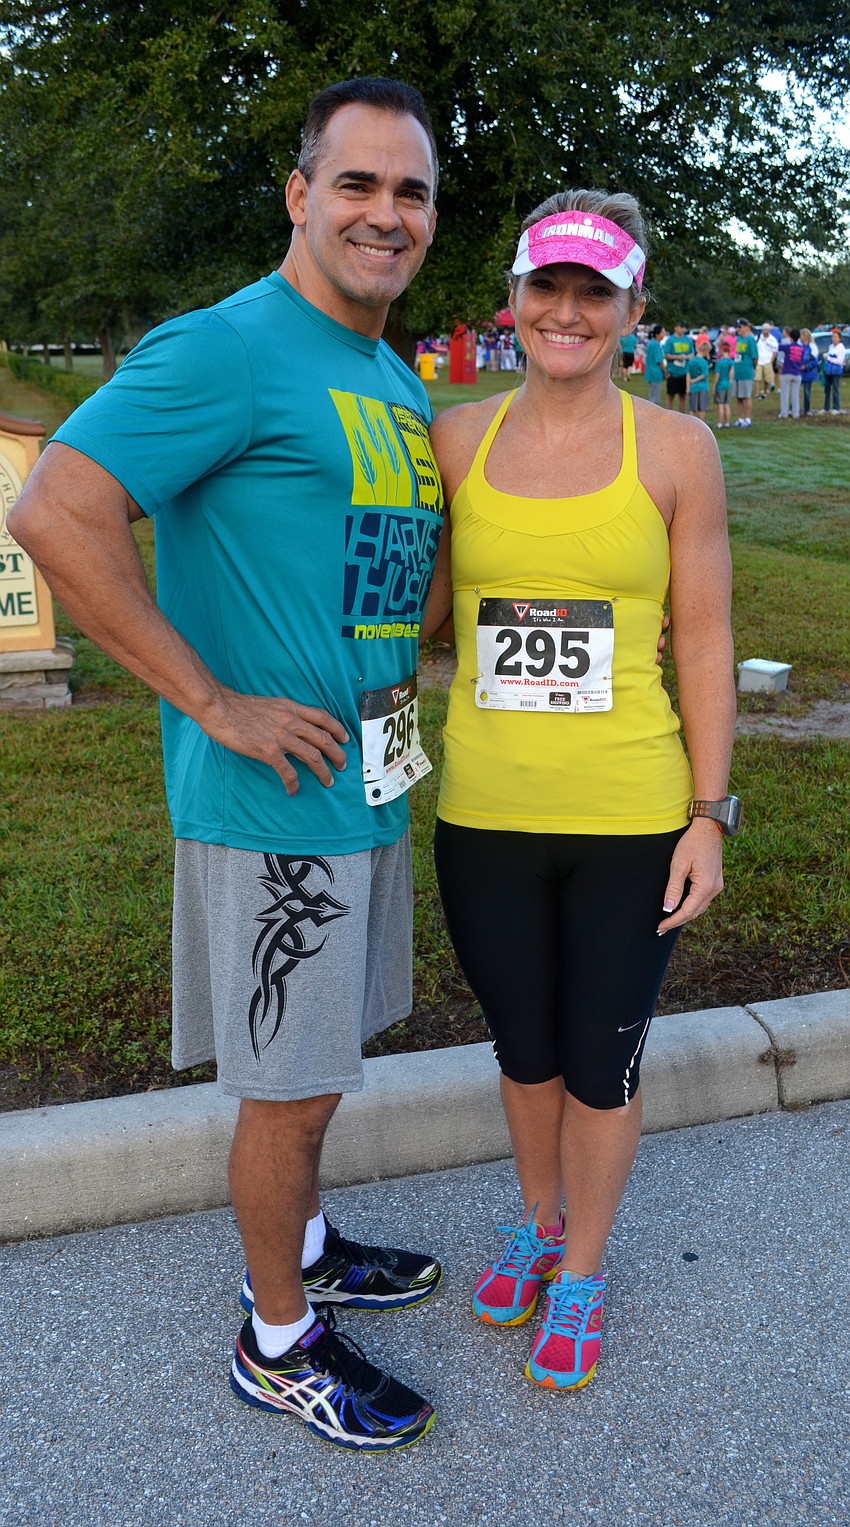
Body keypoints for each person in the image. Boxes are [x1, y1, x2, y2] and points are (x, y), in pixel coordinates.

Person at [8, 76, 445, 1454]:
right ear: (298, 196)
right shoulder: (227, 348)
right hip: (271, 801)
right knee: (289, 1079)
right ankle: (275, 1339)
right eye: (358, 183)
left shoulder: (381, 367)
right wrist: (213, 699)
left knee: (321, 1056)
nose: (386, 213)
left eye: (412, 190)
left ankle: (305, 1241)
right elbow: (57, 508)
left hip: (364, 773)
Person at [424, 189, 736, 1395]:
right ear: (511, 300)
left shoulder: (677, 449)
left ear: (630, 311)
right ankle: (537, 1223)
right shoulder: (455, 440)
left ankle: (586, 1267)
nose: (565, 311)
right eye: (545, 287)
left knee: (600, 1060)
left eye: (591, 293)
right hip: (486, 811)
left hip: (628, 813)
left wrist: (709, 815)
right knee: (522, 1048)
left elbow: (704, 636)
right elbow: (419, 610)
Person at [732, 319, 758, 426]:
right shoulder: (738, 339)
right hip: (738, 371)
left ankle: (748, 419)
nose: (738, 329)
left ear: (746, 327)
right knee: (739, 396)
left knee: (746, 396)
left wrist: (753, 368)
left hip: (746, 371)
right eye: (737, 327)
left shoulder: (750, 340)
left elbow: (755, 357)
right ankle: (740, 418)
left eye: (740, 327)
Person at [662, 322, 694, 411]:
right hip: (673, 373)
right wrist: (677, 357)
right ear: (676, 327)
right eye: (681, 327)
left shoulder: (688, 340)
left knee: (683, 396)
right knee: (670, 396)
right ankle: (668, 417)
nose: (683, 329)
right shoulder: (670, 340)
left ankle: (682, 417)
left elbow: (692, 353)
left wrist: (687, 357)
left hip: (684, 373)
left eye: (684, 327)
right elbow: (666, 355)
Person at [777, 327, 805, 419]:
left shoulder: (788, 347)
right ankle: (795, 413)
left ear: (790, 337)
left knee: (785, 394)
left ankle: (784, 413)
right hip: (797, 373)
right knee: (795, 395)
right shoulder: (801, 348)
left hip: (787, 372)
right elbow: (801, 361)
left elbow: (778, 347)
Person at [823, 327, 846, 414]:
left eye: (836, 337)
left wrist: (829, 358)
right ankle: (826, 407)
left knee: (835, 389)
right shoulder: (830, 346)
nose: (834, 339)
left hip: (836, 371)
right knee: (827, 389)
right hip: (828, 370)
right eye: (833, 337)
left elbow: (839, 361)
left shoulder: (841, 348)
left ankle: (836, 408)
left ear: (839, 338)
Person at [644, 324, 666, 406]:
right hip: (656, 373)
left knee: (652, 394)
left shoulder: (651, 343)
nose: (664, 335)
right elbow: (659, 361)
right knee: (655, 398)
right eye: (662, 333)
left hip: (650, 372)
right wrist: (665, 372)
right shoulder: (656, 345)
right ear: (657, 334)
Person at [713, 339, 734, 428]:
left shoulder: (719, 362)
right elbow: (732, 373)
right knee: (727, 404)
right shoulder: (731, 362)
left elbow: (717, 375)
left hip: (720, 384)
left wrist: (714, 385)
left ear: (722, 350)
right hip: (727, 384)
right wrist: (730, 381)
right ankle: (728, 422)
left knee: (720, 405)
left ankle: (720, 423)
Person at [686, 342, 711, 415]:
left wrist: (688, 387)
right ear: (706, 351)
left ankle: (690, 425)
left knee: (692, 408)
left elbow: (688, 374)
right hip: (703, 387)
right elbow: (704, 375)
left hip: (693, 388)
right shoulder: (704, 362)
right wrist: (694, 380)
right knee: (701, 409)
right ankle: (701, 424)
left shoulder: (691, 361)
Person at [754, 323, 778, 398]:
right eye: (764, 330)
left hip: (768, 361)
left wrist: (771, 362)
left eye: (767, 330)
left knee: (767, 379)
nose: (765, 331)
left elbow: (774, 351)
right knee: (757, 378)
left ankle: (765, 392)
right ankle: (757, 393)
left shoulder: (772, 339)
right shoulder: (757, 338)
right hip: (759, 361)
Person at [800, 328, 820, 416]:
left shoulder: (812, 347)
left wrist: (806, 366)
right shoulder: (800, 346)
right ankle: (792, 408)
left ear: (805, 337)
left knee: (807, 392)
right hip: (799, 372)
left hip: (808, 373)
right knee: (795, 391)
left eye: (801, 335)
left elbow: (815, 361)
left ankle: (807, 410)